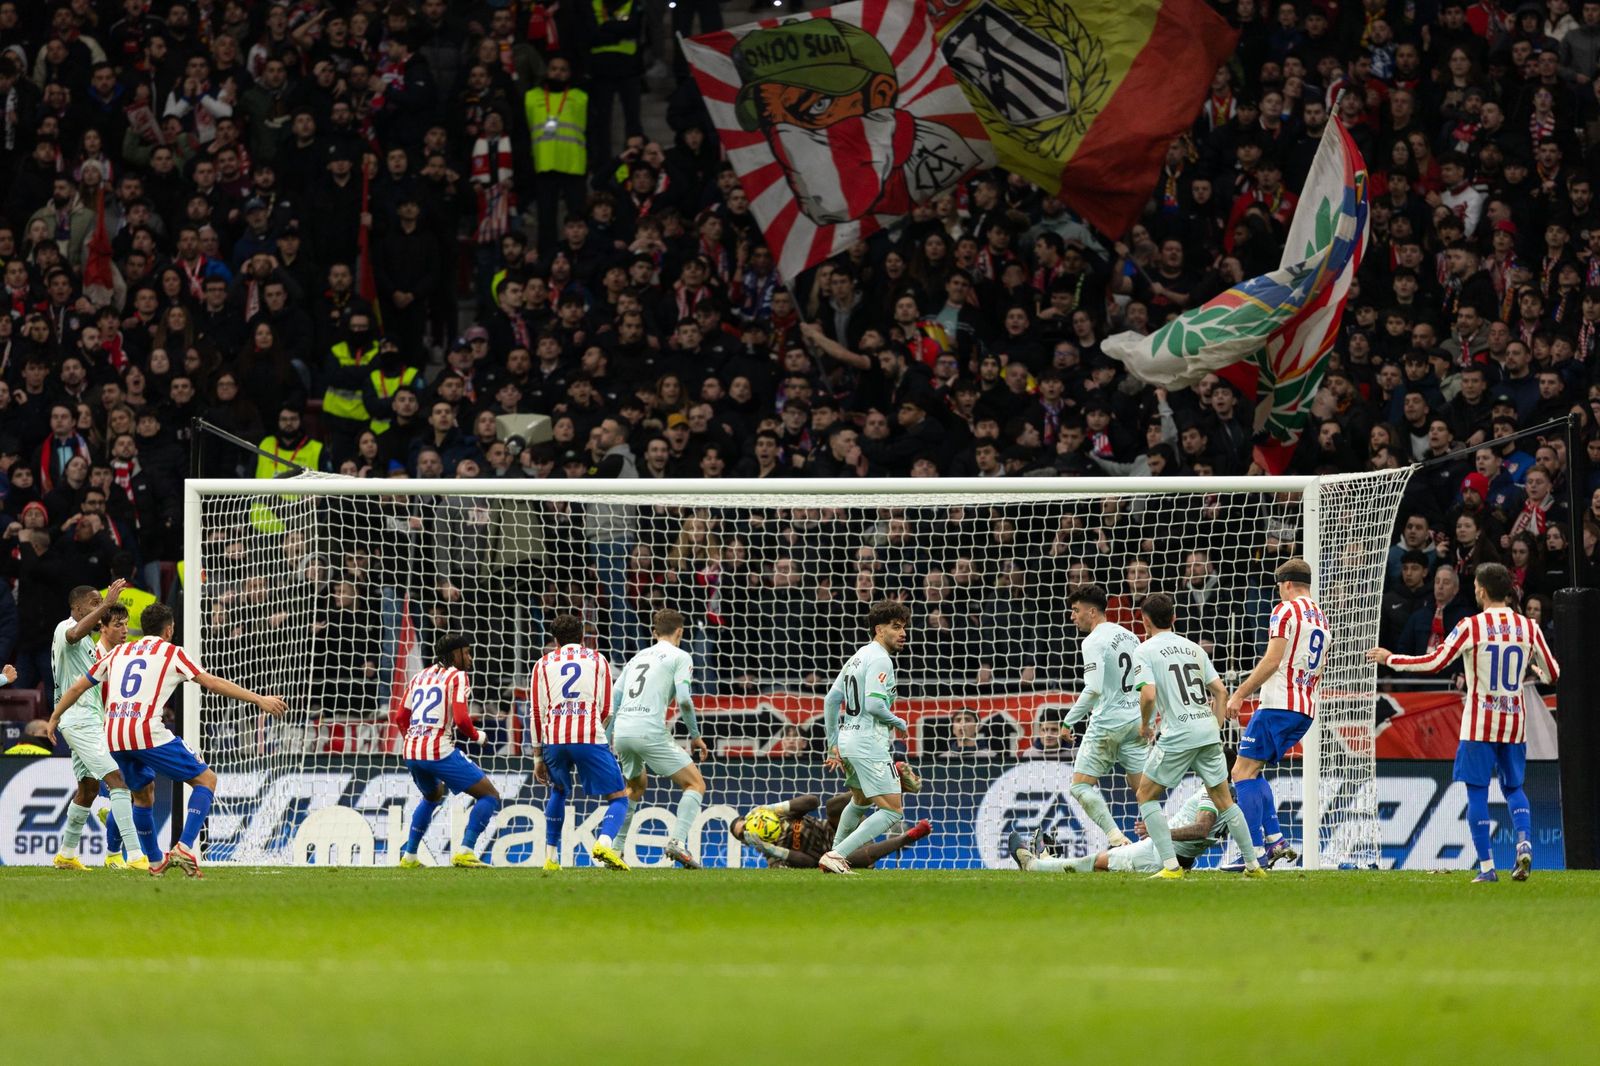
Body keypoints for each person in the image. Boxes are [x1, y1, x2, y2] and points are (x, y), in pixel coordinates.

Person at [50, 603, 288, 878]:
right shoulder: (172, 652)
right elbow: (210, 683)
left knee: (142, 794)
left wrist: (55, 715)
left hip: (114, 733)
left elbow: (79, 686)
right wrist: (259, 699)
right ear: (169, 629)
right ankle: (185, 847)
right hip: (146, 730)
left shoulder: (119, 652)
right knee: (207, 780)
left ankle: (154, 862)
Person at [1367, 562, 1560, 883]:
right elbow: (1554, 674)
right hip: (1514, 721)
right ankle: (1524, 841)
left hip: (1481, 722)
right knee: (1514, 788)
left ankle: (1486, 868)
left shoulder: (1473, 626)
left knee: (1477, 791)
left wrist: (1391, 659)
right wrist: (1536, 671)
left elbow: (1434, 661)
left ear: (1482, 591)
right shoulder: (1529, 627)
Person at [1131, 593, 1261, 877]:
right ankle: (1253, 866)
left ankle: (1171, 867)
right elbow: (1221, 692)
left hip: (1178, 732)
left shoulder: (1145, 650)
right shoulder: (1194, 649)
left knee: (1145, 795)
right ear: (1174, 619)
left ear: (1144, 621)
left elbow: (1149, 694)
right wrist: (1214, 728)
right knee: (1224, 800)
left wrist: (1144, 725)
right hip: (1206, 729)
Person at [1226, 558, 1329, 866]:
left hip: (1279, 705)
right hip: (1304, 708)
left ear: (1285, 585)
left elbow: (1272, 660)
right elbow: (1320, 670)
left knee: (1240, 772)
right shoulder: (1322, 618)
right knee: (1253, 771)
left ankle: (1252, 853)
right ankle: (1274, 840)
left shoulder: (1285, 610)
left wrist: (1240, 695)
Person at [44, 581, 147, 871]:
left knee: (88, 789)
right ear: (76, 607)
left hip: (87, 717)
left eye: (99, 601)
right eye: (93, 603)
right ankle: (135, 856)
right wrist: (106, 604)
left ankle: (65, 855)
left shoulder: (90, 644)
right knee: (117, 781)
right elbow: (75, 634)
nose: (98, 605)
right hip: (78, 718)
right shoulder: (65, 628)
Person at [608, 608, 709, 868]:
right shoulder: (680, 656)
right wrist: (695, 736)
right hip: (648, 729)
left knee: (635, 787)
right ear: (680, 632)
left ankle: (615, 849)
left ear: (654, 633)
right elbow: (685, 701)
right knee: (695, 784)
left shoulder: (637, 657)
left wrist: (606, 738)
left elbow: (614, 700)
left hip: (623, 731)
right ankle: (677, 842)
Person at [818, 599, 912, 875]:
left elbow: (831, 700)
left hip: (849, 740)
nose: (902, 633)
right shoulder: (881, 658)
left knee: (859, 801)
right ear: (879, 629)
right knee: (893, 812)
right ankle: (837, 854)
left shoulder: (858, 655)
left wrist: (832, 743)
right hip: (869, 743)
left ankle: (834, 855)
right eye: (896, 627)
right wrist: (899, 722)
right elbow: (873, 705)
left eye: (904, 627)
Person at [530, 613, 630, 870]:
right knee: (618, 797)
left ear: (555, 640)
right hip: (588, 736)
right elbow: (608, 709)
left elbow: (537, 712)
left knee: (559, 791)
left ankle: (551, 858)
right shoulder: (598, 660)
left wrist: (538, 756)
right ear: (583, 635)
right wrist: (595, 729)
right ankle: (604, 843)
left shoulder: (542, 664)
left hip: (554, 738)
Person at [394, 633, 502, 868]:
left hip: (411, 751)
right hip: (438, 750)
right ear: (455, 654)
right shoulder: (458, 676)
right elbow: (462, 720)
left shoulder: (419, 677)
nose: (470, 658)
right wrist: (478, 736)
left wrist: (413, 741)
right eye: (467, 652)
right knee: (490, 796)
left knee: (432, 795)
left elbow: (401, 717)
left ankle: (409, 855)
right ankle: (465, 850)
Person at [1061, 583, 1148, 847]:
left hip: (1108, 723)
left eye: (1076, 610)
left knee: (1080, 787)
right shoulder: (1130, 636)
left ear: (1092, 612)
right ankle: (1158, 845)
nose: (1072, 616)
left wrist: (1068, 721)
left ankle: (1116, 838)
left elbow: (1094, 688)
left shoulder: (1093, 640)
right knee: (1145, 792)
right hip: (1135, 722)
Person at [1010, 790, 1224, 874]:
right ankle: (1050, 860)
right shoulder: (1228, 797)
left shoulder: (1212, 792)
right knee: (1101, 868)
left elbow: (1201, 829)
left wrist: (1159, 832)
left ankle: (1034, 865)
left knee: (1092, 862)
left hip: (1158, 854)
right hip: (1167, 854)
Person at [733, 792, 932, 868]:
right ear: (745, 841)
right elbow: (808, 862)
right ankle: (907, 838)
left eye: (745, 821)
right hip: (837, 853)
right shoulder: (772, 856)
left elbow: (811, 801)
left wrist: (770, 808)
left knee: (833, 806)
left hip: (840, 827)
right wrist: (768, 848)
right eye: (743, 833)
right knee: (841, 860)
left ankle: (883, 789)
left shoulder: (783, 816)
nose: (749, 828)